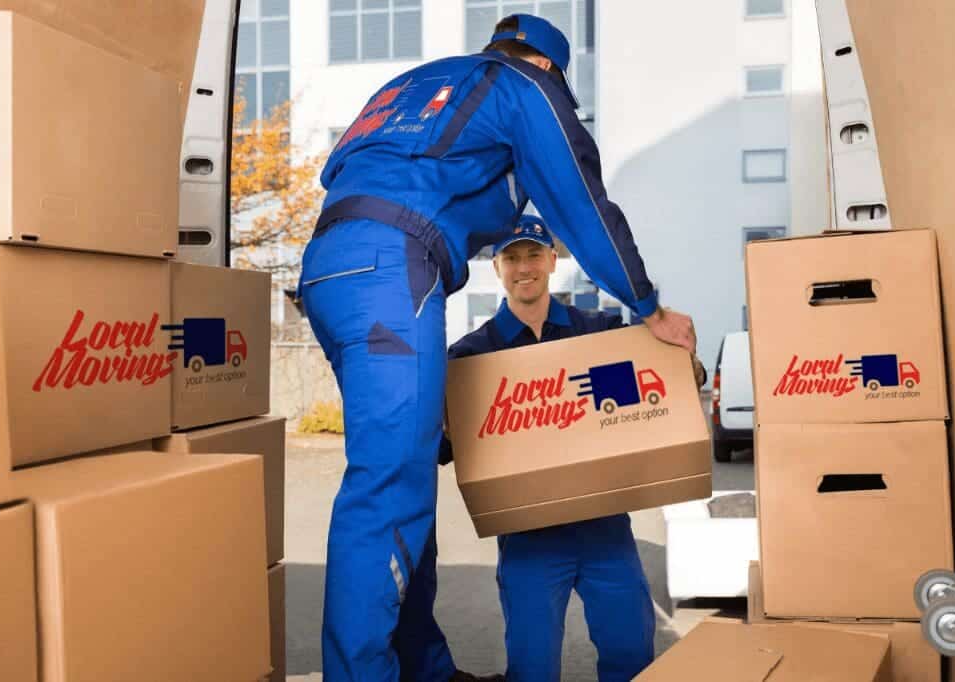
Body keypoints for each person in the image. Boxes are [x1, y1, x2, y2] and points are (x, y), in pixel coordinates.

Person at [296, 12, 697, 682]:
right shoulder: (521, 86)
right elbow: (581, 201)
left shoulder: (417, 85)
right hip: (393, 265)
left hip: (329, 268)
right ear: (548, 68)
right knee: (387, 486)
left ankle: (422, 667)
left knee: (403, 471)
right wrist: (646, 305)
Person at [440, 216, 706, 681]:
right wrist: (438, 421)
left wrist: (688, 368)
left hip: (604, 529)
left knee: (632, 655)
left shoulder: (598, 334)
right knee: (532, 668)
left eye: (534, 256)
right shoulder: (472, 357)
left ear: (552, 262)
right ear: (497, 267)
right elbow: (444, 447)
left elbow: (654, 384)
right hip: (529, 539)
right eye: (512, 258)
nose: (524, 268)